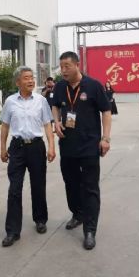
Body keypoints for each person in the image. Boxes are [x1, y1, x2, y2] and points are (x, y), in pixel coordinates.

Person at [52, 51, 112, 250]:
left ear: (77, 65)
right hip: (67, 146)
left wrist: (105, 138)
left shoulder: (93, 86)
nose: (63, 70)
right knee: (71, 185)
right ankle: (77, 214)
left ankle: (90, 230)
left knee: (90, 188)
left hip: (89, 146)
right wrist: (56, 122)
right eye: (61, 67)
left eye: (67, 66)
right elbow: (54, 106)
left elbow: (106, 111)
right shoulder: (60, 87)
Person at [0, 67, 56, 247]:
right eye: (26, 78)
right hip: (17, 148)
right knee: (14, 189)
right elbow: (5, 126)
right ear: (18, 82)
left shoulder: (41, 100)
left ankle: (40, 220)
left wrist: (51, 146)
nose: (31, 81)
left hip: (36, 147)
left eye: (32, 77)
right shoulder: (10, 101)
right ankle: (12, 231)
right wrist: (2, 148)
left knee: (38, 185)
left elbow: (47, 124)